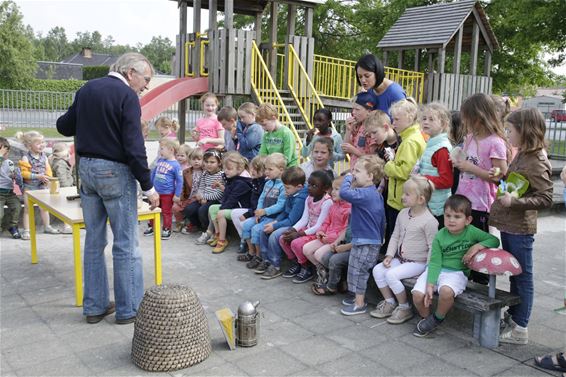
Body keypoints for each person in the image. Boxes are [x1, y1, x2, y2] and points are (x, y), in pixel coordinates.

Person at [56, 52, 159, 325]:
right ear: (130, 73)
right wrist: (148, 188)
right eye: (145, 79)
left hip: (86, 171)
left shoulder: (88, 88)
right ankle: (129, 310)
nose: (146, 86)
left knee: (94, 241)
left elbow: (63, 126)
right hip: (115, 172)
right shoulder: (127, 97)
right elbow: (134, 146)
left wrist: (89, 116)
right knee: (126, 243)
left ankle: (95, 307)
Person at [489, 108, 553, 344]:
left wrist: (516, 202)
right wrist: (501, 177)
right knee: (515, 275)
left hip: (520, 228)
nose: (507, 135)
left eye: (510, 130)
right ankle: (515, 318)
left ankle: (520, 329)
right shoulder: (524, 154)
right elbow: (518, 183)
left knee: (523, 276)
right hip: (509, 224)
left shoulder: (536, 159)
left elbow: (546, 198)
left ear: (524, 131)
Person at [411, 195, 500, 337]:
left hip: (456, 273)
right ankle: (426, 319)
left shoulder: (471, 231)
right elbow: (435, 262)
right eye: (448, 216)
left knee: (446, 292)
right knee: (417, 295)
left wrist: (477, 246)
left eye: (457, 216)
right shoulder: (440, 235)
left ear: (468, 220)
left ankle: (437, 318)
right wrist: (430, 284)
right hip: (435, 270)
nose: (451, 220)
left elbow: (494, 240)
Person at [453, 93, 509, 284]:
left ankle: (481, 285)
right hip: (464, 200)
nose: (463, 121)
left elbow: (500, 177)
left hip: (481, 204)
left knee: (478, 247)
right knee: (463, 245)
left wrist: (472, 168)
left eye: (466, 117)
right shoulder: (469, 137)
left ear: (477, 117)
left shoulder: (495, 142)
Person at [370, 176, 438, 324]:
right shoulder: (403, 214)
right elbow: (395, 236)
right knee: (377, 270)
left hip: (418, 263)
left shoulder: (430, 221)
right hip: (401, 259)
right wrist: (389, 255)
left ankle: (404, 306)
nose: (402, 197)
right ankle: (390, 302)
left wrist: (427, 270)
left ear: (420, 199)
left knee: (391, 275)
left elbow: (434, 246)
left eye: (407, 194)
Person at [339, 155, 386, 315]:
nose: (353, 173)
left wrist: (347, 178)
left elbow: (344, 193)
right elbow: (381, 219)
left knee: (359, 271)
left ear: (370, 176)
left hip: (367, 242)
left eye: (357, 171)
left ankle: (359, 304)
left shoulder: (365, 194)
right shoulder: (371, 193)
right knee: (354, 269)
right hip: (364, 240)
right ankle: (356, 298)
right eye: (353, 170)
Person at [383, 100, 426, 249]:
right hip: (401, 198)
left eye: (396, 119)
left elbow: (404, 171)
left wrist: (388, 166)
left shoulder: (410, 141)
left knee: (398, 240)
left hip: (401, 200)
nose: (393, 124)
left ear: (409, 117)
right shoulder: (410, 137)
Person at [279, 171, 333, 283]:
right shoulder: (309, 198)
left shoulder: (327, 202)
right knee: (283, 238)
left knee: (296, 243)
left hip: (317, 233)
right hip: (308, 229)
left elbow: (319, 225)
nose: (310, 188)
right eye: (309, 184)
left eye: (315, 186)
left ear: (325, 188)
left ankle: (306, 268)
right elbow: (304, 219)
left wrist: (298, 234)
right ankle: (296, 263)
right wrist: (293, 229)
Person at [257, 166, 308, 279]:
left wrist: (275, 226)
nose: (285, 191)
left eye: (287, 188)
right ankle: (266, 260)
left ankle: (275, 266)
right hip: (287, 222)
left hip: (296, 226)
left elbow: (292, 220)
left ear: (299, 187)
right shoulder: (292, 193)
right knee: (263, 230)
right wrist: (275, 221)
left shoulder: (300, 199)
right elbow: (285, 212)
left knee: (275, 235)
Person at [238, 153, 287, 268]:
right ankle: (251, 252)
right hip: (262, 215)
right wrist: (258, 211)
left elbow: (281, 205)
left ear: (281, 170)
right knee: (246, 225)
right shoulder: (268, 183)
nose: (266, 172)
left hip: (273, 218)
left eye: (270, 169)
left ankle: (260, 256)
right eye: (266, 169)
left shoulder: (283, 186)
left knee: (256, 229)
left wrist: (265, 211)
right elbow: (261, 198)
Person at [303, 176, 351, 288]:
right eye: (333, 189)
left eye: (337, 189)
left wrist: (328, 237)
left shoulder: (349, 209)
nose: (333, 192)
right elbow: (326, 222)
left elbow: (345, 230)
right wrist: (320, 231)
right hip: (325, 236)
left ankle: (334, 276)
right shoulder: (333, 206)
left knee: (319, 254)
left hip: (335, 241)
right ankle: (324, 273)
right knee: (306, 249)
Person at [416, 103, 453, 228]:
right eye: (424, 118)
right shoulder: (432, 143)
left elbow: (446, 181)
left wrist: (423, 179)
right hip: (430, 202)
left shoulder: (441, 149)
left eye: (431, 119)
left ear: (443, 124)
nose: (426, 122)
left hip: (437, 207)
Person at [17, 131, 59, 239]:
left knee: (44, 208)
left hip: (41, 186)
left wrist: (48, 179)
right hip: (29, 188)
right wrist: (37, 176)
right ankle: (27, 230)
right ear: (29, 146)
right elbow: (23, 173)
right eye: (38, 143)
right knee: (27, 209)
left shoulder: (44, 157)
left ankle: (47, 226)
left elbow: (48, 169)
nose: (42, 145)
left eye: (43, 142)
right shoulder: (26, 158)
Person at [208, 152, 252, 253]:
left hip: (241, 209)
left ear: (240, 169)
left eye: (229, 169)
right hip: (234, 206)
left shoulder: (242, 182)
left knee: (220, 213)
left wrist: (223, 207)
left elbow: (232, 199)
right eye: (224, 168)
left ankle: (222, 240)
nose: (225, 171)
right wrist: (222, 184)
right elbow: (228, 193)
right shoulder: (234, 178)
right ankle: (218, 234)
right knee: (212, 208)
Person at [144, 138, 183, 240]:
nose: (160, 151)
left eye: (162, 148)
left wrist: (177, 194)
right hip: (155, 192)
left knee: (166, 211)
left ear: (171, 150)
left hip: (167, 193)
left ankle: (166, 228)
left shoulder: (176, 165)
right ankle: (151, 226)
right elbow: (153, 174)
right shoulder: (160, 160)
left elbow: (179, 181)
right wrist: (150, 187)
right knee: (152, 208)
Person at [185, 149, 224, 243]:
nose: (208, 164)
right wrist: (200, 195)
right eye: (206, 162)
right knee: (189, 209)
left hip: (215, 200)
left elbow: (219, 194)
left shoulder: (221, 175)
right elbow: (201, 187)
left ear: (219, 163)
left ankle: (209, 230)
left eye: (212, 162)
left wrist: (205, 197)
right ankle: (198, 226)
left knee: (202, 210)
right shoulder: (205, 173)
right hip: (203, 198)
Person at [231, 155, 266, 253]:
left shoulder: (264, 184)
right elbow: (253, 203)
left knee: (245, 222)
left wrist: (248, 214)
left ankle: (253, 248)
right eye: (252, 168)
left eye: (256, 169)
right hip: (252, 210)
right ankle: (244, 240)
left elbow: (260, 204)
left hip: (259, 213)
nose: (252, 171)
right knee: (234, 213)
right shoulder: (255, 181)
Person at [355, 54, 406, 119]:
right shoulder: (368, 90)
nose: (363, 80)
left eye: (367, 76)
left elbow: (404, 123)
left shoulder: (395, 93)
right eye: (360, 76)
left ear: (377, 73)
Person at [341, 91, 377, 167]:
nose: (353, 112)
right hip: (354, 170)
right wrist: (348, 130)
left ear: (369, 111)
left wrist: (354, 151)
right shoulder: (357, 127)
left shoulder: (373, 130)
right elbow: (344, 150)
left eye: (357, 109)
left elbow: (373, 159)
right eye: (353, 109)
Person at [174, 148, 203, 233]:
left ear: (203, 160)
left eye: (199, 159)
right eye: (194, 159)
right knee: (175, 207)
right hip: (187, 196)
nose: (196, 162)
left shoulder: (205, 172)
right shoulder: (186, 172)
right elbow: (182, 186)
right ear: (189, 160)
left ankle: (192, 224)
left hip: (197, 198)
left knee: (190, 208)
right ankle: (180, 222)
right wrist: (180, 197)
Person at [49, 142, 75, 234]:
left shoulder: (57, 161)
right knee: (67, 208)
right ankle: (67, 226)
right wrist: (68, 188)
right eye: (68, 153)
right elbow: (61, 177)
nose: (69, 155)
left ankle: (68, 225)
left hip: (62, 188)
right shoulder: (60, 163)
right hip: (65, 189)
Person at [0, 137, 22, 239]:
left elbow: (12, 174)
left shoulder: (9, 162)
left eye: (6, 151)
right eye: (2, 151)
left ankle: (12, 226)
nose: (5, 154)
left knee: (17, 207)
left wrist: (15, 176)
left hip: (9, 192)